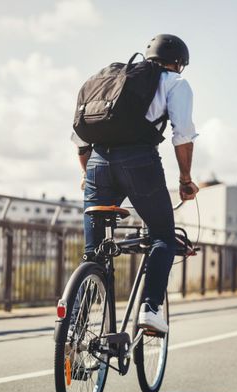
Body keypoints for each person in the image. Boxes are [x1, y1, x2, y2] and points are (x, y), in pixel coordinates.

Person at [71, 34, 199, 333]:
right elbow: (182, 134)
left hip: (97, 164)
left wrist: (86, 174)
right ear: (178, 63)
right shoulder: (175, 83)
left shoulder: (110, 81)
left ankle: (74, 325)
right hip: (139, 163)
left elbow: (80, 141)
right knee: (163, 237)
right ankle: (150, 309)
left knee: (95, 253)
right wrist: (185, 180)